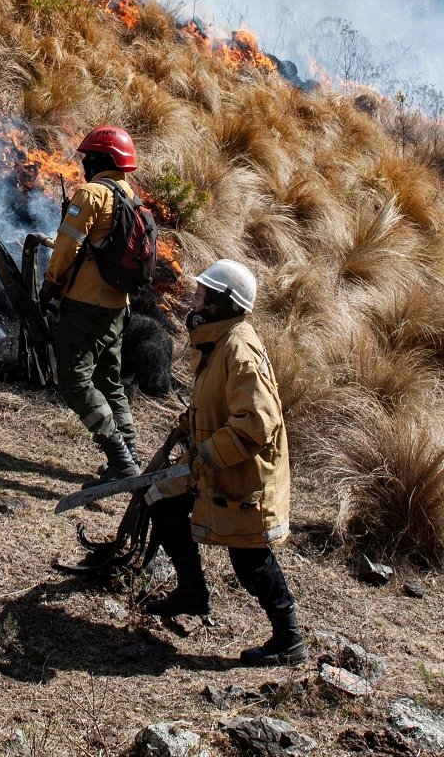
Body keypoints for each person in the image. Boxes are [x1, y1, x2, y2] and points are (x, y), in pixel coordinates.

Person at [144, 259, 305, 666]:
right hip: (211, 465)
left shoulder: (238, 347)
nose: (192, 301)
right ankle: (192, 593)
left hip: (242, 475)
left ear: (221, 303)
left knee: (250, 558)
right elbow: (217, 402)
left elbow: (256, 422)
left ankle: (289, 638)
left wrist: (208, 455)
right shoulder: (218, 340)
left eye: (201, 295)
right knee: (162, 500)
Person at [39, 126, 142, 484]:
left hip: (84, 305)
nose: (83, 162)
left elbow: (67, 246)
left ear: (102, 160)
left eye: (88, 156)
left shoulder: (92, 194)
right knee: (109, 380)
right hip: (118, 306)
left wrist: (50, 284)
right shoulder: (131, 196)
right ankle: (131, 452)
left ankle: (118, 456)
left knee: (73, 381)